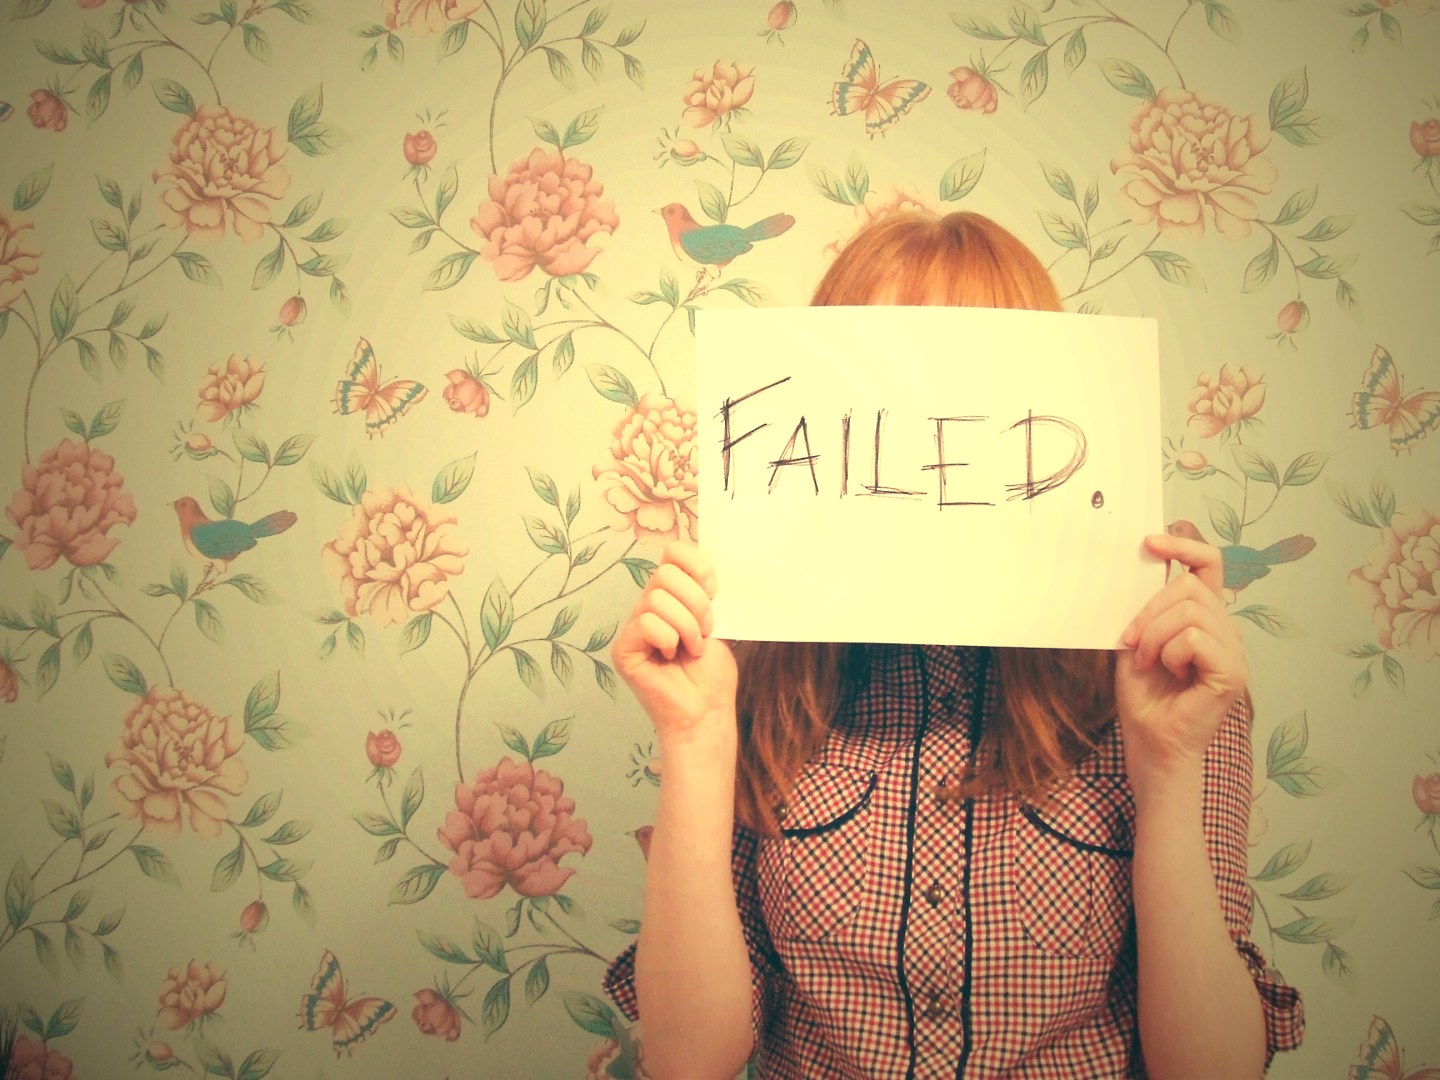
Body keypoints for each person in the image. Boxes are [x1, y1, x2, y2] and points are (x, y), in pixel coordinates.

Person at [601, 211, 1304, 1079]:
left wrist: (1167, 767)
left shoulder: (1168, 682)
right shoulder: (750, 676)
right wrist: (695, 741)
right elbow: (689, 1062)